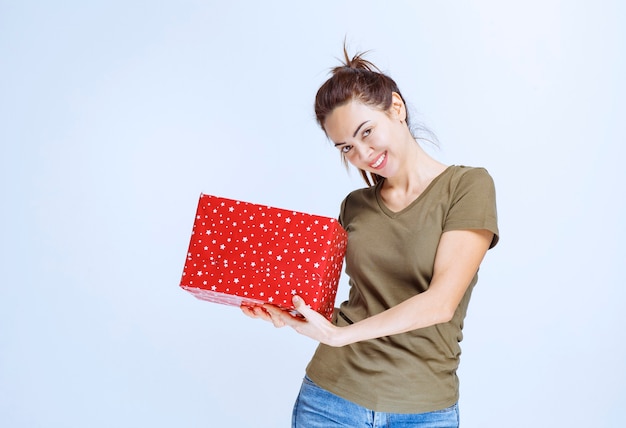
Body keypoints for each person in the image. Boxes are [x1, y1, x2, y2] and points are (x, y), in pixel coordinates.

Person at [242, 46, 499, 427]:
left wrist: (338, 336)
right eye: (347, 147)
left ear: (396, 108)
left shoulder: (467, 186)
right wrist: (292, 313)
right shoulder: (354, 206)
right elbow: (349, 306)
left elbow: (440, 303)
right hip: (330, 398)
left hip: (424, 408)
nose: (363, 153)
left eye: (366, 132)